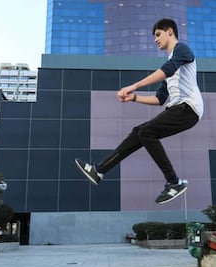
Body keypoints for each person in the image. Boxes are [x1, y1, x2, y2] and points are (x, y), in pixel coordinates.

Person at [75, 18, 204, 204]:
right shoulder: (170, 65)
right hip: (178, 109)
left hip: (188, 108)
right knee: (139, 132)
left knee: (147, 132)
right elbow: (159, 99)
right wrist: (134, 97)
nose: (155, 40)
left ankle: (174, 182)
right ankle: (99, 171)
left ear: (170, 32)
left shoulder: (182, 50)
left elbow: (166, 70)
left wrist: (135, 86)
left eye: (158, 35)